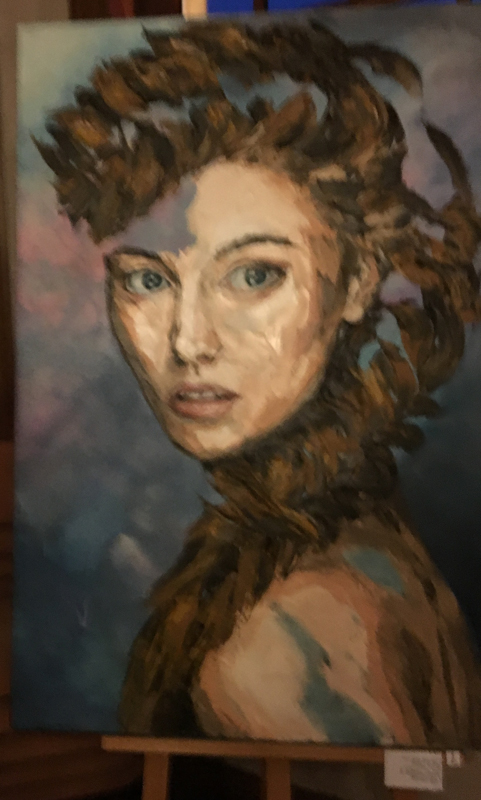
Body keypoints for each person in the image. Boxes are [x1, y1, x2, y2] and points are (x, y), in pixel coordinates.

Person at [38, 17, 481, 746]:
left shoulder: (284, 645)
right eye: (146, 279)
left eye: (252, 276)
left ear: (358, 280)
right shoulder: (345, 532)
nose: (188, 341)